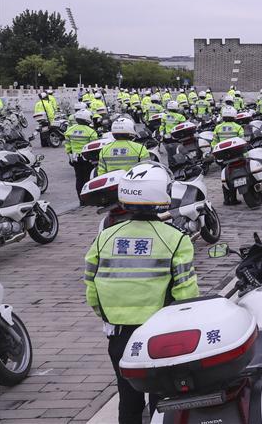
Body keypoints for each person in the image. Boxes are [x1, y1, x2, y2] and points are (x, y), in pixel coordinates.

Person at [84, 163, 198, 424]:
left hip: (120, 336)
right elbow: (186, 292)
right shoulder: (176, 238)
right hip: (160, 335)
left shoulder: (105, 237)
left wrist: (110, 315)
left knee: (129, 398)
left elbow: (91, 286)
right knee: (164, 397)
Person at [65, 109, 99, 197]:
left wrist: (70, 156)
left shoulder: (70, 130)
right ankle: (90, 198)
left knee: (79, 179)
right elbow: (95, 147)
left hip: (75, 158)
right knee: (89, 178)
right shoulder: (91, 132)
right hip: (88, 159)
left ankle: (81, 199)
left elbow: (68, 146)